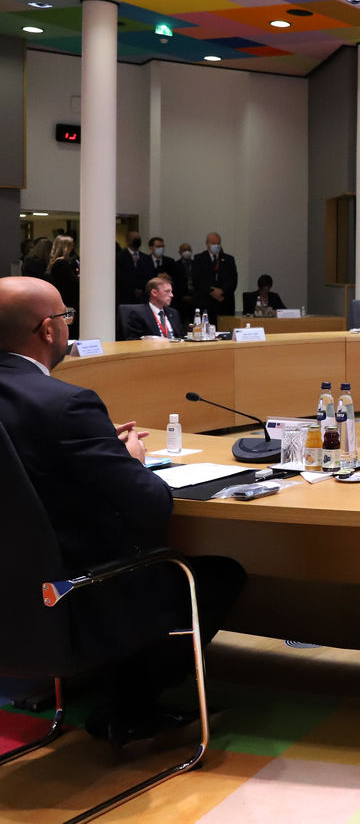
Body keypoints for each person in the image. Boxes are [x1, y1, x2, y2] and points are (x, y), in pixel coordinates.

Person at [0, 276, 244, 745]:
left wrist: (98, 451)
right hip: (70, 597)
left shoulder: (53, 409)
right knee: (217, 575)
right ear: (47, 330)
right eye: (65, 316)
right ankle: (132, 708)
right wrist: (130, 461)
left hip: (11, 596)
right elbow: (151, 508)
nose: (68, 325)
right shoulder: (67, 404)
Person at [190, 232, 238, 316]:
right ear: (207, 244)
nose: (216, 246)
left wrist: (222, 291)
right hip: (205, 303)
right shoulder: (199, 259)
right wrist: (212, 291)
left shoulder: (229, 259)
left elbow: (233, 280)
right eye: (213, 243)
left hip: (224, 304)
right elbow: (196, 280)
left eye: (218, 243)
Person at [124, 275, 185, 340]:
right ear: (154, 293)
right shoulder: (139, 314)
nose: (171, 295)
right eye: (167, 291)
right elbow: (134, 340)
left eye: (171, 291)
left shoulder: (173, 313)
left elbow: (181, 336)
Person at [115, 229, 153, 306]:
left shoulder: (146, 258)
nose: (137, 240)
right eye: (135, 239)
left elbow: (149, 275)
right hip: (125, 297)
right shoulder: (119, 257)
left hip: (142, 298)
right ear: (128, 241)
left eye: (138, 238)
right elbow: (119, 277)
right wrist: (133, 290)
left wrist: (142, 289)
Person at [147, 236, 185, 307]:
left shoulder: (170, 261)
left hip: (167, 299)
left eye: (162, 246)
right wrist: (156, 278)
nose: (161, 249)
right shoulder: (144, 261)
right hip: (150, 298)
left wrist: (168, 278)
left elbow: (178, 279)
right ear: (151, 248)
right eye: (158, 246)